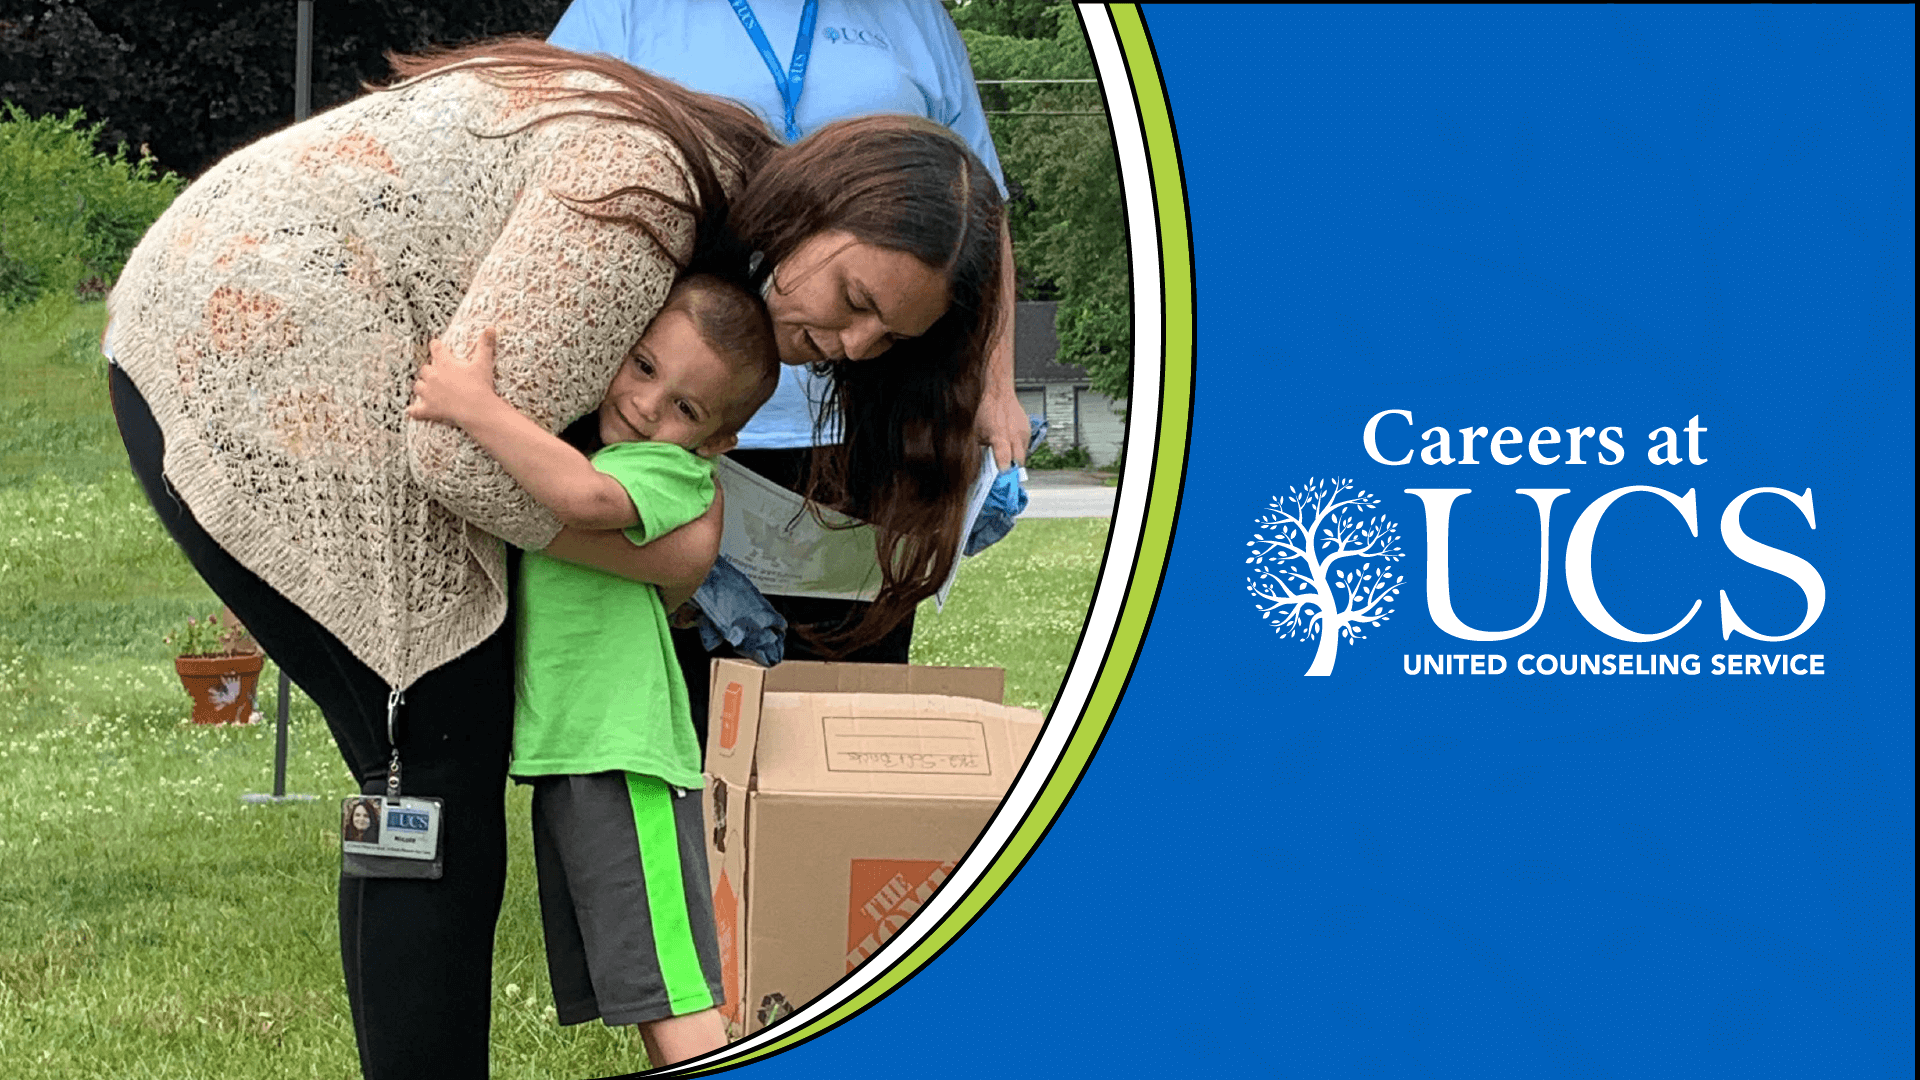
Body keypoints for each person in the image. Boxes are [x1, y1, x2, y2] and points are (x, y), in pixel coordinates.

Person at [105, 38, 998, 1079]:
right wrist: (652, 563)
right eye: (851, 298)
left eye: (883, 339)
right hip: (253, 354)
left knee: (426, 774)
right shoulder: (648, 199)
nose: (849, 346)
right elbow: (455, 452)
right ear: (816, 201)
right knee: (431, 767)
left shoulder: (701, 196)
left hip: (261, 329)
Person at [549, 0, 1024, 740]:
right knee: (682, 707)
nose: (857, 340)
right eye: (854, 304)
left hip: (857, 431)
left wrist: (995, 389)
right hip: (683, 413)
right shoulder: (626, 9)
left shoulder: (913, 16)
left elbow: (980, 217)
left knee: (846, 717)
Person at [407, 274, 778, 1066]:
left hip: (625, 753)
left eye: (686, 409)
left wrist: (470, 402)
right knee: (644, 989)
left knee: (674, 993)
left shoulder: (665, 475)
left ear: (715, 445)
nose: (649, 406)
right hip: (579, 751)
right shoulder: (608, 446)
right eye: (643, 367)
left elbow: (584, 500)